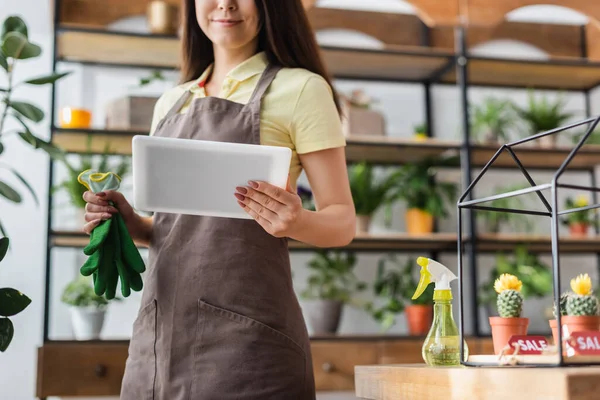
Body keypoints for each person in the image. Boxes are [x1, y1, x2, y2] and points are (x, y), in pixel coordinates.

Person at [81, 0, 356, 398]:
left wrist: (296, 221)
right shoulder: (171, 102)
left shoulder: (301, 89)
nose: (225, 3)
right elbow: (177, 228)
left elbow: (342, 221)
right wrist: (130, 225)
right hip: (159, 339)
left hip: (250, 345)